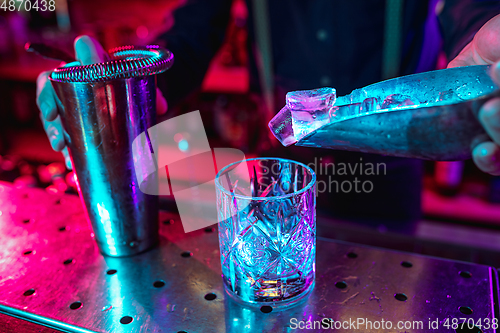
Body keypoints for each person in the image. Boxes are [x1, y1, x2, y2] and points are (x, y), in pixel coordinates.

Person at [36, 1, 500, 231]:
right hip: (274, 171)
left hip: (386, 176)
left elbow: (471, 8)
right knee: (271, 297)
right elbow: (195, 28)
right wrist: (127, 81)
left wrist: (490, 35)